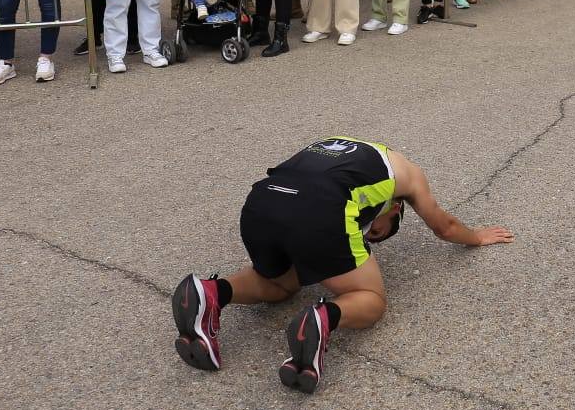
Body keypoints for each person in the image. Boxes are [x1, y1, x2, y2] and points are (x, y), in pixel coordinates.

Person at [171, 136, 514, 393]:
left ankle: (212, 291)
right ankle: (323, 318)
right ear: (394, 209)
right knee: (371, 298)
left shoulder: (342, 144)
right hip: (319, 210)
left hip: (261, 203)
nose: (368, 234)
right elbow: (445, 227)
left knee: (280, 285)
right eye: (375, 232)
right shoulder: (408, 174)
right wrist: (477, 237)